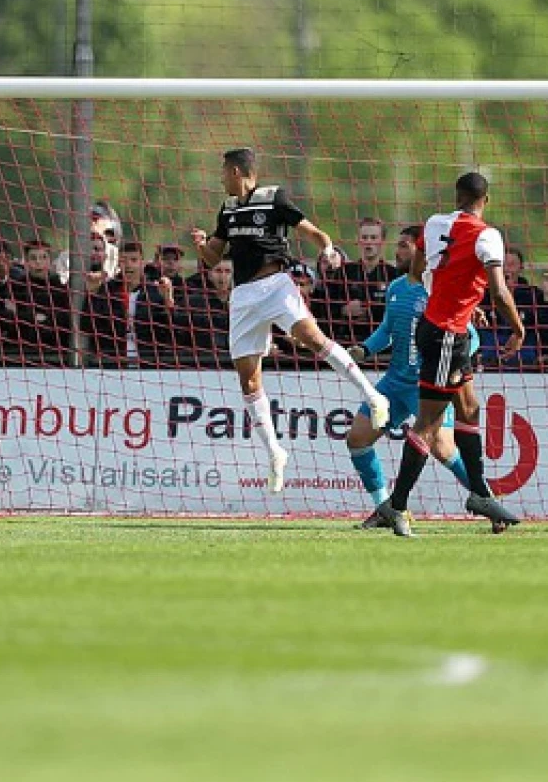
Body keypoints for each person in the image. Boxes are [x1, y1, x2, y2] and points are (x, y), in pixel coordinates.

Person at [190, 148, 389, 492]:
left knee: (314, 341)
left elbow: (313, 232)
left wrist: (326, 247)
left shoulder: (273, 198)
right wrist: (201, 245)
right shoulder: (228, 210)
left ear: (237, 171)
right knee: (248, 382)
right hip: (243, 298)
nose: (220, 177)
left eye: (223, 171)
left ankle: (373, 397)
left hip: (276, 286)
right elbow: (212, 258)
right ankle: (274, 453)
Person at [370, 172, 526, 537]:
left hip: (438, 326)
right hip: (446, 335)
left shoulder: (435, 222)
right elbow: (500, 292)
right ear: (485, 200)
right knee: (429, 425)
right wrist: (518, 329)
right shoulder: (488, 235)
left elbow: (418, 267)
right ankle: (397, 505)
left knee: (469, 408)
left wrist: (455, 299)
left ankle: (479, 494)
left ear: (456, 196)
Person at [345, 225, 474, 526]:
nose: (398, 251)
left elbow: (471, 336)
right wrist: (364, 349)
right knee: (357, 439)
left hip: (427, 385)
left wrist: (457, 364)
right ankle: (385, 509)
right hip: (394, 381)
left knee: (443, 449)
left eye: (405, 245)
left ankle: (486, 497)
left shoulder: (440, 290)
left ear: (422, 251)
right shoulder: (396, 287)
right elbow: (387, 331)